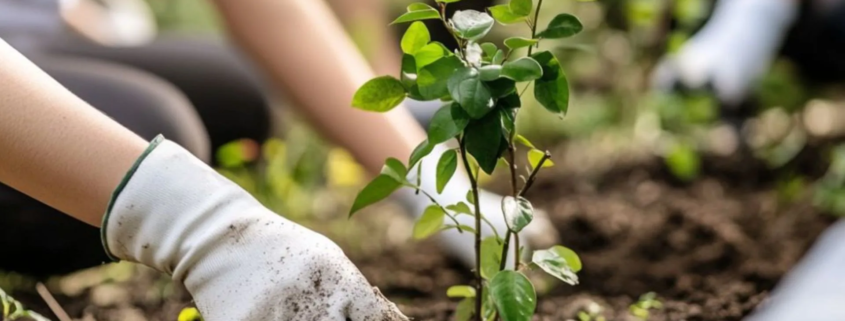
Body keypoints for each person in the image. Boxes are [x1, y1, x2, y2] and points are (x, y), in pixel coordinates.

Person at [0, 0, 556, 277]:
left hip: (31, 44)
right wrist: (196, 225)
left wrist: (436, 189)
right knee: (155, 126)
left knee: (234, 100)